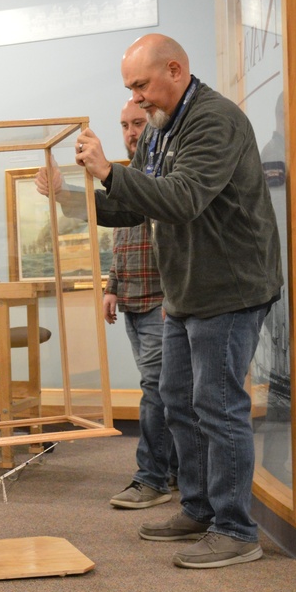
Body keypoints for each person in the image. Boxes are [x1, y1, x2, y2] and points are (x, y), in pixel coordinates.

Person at [37, 33, 282, 569]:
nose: (137, 97)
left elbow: (184, 199)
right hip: (187, 291)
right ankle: (197, 510)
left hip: (230, 290)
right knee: (177, 401)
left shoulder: (214, 120)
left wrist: (106, 170)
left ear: (175, 69)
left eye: (140, 85)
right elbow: (134, 206)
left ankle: (237, 530)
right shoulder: (161, 130)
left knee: (218, 409)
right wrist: (67, 195)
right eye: (131, 88)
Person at [105, 100, 178, 510]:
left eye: (138, 123)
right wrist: (112, 286)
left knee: (157, 391)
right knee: (163, 390)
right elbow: (122, 238)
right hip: (132, 302)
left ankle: (151, 477)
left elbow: (174, 244)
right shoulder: (131, 175)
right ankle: (173, 472)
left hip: (159, 304)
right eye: (125, 126)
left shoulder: (162, 175)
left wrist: (172, 297)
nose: (132, 132)